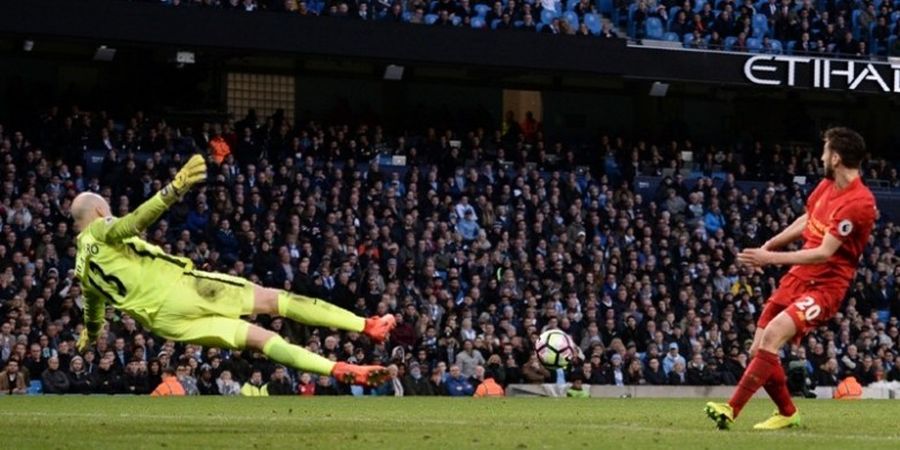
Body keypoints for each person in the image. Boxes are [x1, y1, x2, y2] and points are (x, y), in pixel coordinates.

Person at [72, 155, 395, 387]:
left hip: (165, 323)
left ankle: (336, 368)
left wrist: (91, 334)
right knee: (273, 300)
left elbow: (94, 310)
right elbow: (133, 223)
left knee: (262, 339)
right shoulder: (101, 226)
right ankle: (367, 325)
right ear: (100, 210)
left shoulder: (82, 266)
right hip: (182, 290)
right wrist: (174, 189)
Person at [706, 127, 877, 430]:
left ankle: (731, 409)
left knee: (772, 335)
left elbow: (824, 253)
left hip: (826, 285)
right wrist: (770, 245)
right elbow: (807, 220)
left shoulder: (859, 202)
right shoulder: (826, 185)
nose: (821, 156)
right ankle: (787, 412)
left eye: (825, 151)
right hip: (799, 276)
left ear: (836, 158)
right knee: (759, 348)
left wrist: (769, 259)